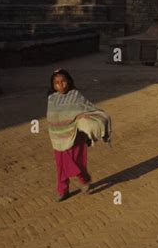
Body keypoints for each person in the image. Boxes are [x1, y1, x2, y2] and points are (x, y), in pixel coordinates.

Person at [47, 68, 112, 202]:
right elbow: (52, 118)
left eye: (63, 81)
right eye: (57, 83)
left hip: (75, 136)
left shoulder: (76, 95)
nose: (61, 85)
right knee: (60, 165)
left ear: (69, 81)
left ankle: (84, 180)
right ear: (53, 85)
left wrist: (86, 118)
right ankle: (62, 190)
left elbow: (89, 109)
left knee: (76, 161)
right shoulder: (52, 99)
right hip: (58, 137)